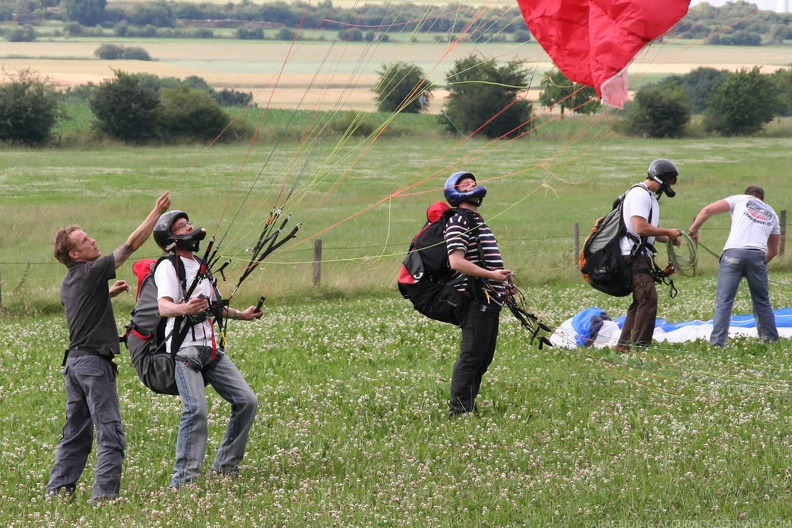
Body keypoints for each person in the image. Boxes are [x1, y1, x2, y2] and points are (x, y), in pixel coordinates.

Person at [47, 191, 171, 504]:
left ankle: (58, 491)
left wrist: (108, 295)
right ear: (74, 255)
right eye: (85, 240)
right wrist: (155, 213)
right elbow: (129, 247)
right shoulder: (92, 271)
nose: (92, 241)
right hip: (93, 365)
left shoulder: (71, 281)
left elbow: (82, 310)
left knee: (75, 433)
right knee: (110, 431)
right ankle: (104, 497)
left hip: (74, 365)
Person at [153, 210, 261, 489]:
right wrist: (184, 309)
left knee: (247, 401)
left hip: (210, 348)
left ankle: (225, 467)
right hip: (185, 350)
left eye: (187, 223)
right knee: (196, 410)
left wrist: (241, 314)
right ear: (171, 239)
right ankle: (184, 481)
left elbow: (214, 307)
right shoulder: (168, 266)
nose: (189, 227)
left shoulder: (202, 265)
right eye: (181, 227)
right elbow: (164, 306)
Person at [443, 171, 513, 417]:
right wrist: (492, 275)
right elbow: (456, 262)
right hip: (474, 298)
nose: (472, 185)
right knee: (472, 356)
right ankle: (459, 411)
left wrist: (499, 279)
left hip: (490, 297)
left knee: (483, 356)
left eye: (473, 182)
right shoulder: (459, 220)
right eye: (465, 184)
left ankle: (468, 406)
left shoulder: (475, 220)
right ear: (455, 191)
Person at [688, 186, 780, 347]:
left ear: (748, 195)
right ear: (763, 199)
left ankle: (718, 343)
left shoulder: (740, 199)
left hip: (733, 253)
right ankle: (770, 340)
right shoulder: (772, 213)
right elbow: (773, 251)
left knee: (725, 301)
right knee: (762, 301)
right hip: (758, 255)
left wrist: (694, 230)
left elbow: (708, 210)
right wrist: (755, 265)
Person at [616, 159, 683, 352]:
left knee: (641, 299)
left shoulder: (649, 196)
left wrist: (667, 238)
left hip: (639, 253)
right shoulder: (640, 194)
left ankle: (625, 347)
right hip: (633, 254)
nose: (670, 185)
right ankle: (639, 346)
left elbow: (644, 232)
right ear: (661, 178)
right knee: (647, 298)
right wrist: (668, 232)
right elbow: (639, 227)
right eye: (670, 180)